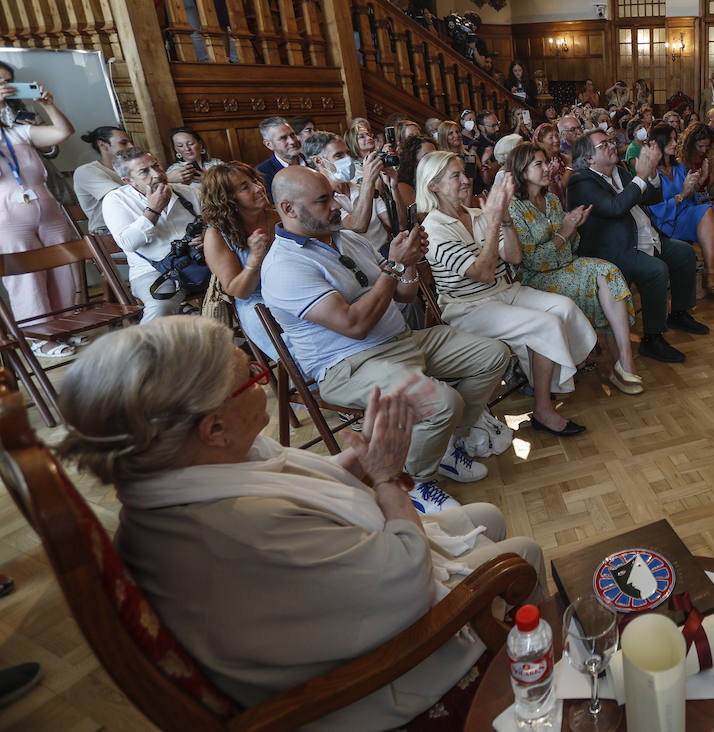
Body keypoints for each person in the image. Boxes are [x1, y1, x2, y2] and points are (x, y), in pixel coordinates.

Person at [55, 315, 545, 729]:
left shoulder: (189, 470)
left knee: (486, 516)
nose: (264, 380)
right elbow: (405, 579)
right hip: (361, 684)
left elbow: (288, 487)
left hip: (329, 613)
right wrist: (386, 479)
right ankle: (538, 696)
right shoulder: (233, 527)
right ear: (214, 428)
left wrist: (362, 460)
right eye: (249, 376)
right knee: (520, 556)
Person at [262, 167, 511, 508]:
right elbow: (354, 325)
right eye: (323, 200)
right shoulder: (283, 266)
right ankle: (413, 483)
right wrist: (393, 268)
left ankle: (446, 445)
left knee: (494, 354)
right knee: (442, 402)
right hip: (349, 365)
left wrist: (408, 264)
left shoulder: (346, 237)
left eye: (333, 196)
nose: (336, 205)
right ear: (289, 209)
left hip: (401, 341)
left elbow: (405, 296)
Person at [419, 151, 606, 430]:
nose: (465, 180)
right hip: (468, 306)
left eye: (464, 173)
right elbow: (482, 274)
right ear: (433, 185)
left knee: (563, 307)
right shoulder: (434, 227)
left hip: (502, 291)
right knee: (546, 322)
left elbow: (514, 257)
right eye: (455, 175)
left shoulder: (476, 213)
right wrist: (494, 220)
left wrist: (504, 218)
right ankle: (544, 408)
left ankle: (540, 379)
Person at [505, 143, 642, 394]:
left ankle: (624, 364)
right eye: (539, 164)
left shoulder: (552, 199)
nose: (548, 168)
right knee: (604, 281)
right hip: (534, 279)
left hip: (565, 266)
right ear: (521, 171)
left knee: (610, 273)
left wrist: (575, 226)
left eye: (546, 162)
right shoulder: (514, 207)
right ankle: (622, 366)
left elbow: (571, 246)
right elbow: (530, 261)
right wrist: (564, 232)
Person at [566, 132, 709, 364]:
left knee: (684, 253)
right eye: (604, 145)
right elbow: (614, 208)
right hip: (615, 249)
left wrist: (651, 173)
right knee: (657, 270)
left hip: (646, 237)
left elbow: (652, 197)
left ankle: (679, 313)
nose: (612, 146)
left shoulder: (619, 172)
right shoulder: (582, 180)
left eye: (611, 141)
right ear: (589, 158)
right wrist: (641, 177)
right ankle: (652, 339)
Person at [0, 65, 77, 358]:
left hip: (47, 209)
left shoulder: (18, 131)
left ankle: (64, 329)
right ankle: (39, 339)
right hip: (7, 217)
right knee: (25, 277)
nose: (5, 87)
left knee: (62, 267)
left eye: (7, 82)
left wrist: (49, 106)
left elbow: (62, 132)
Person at [102, 148, 204, 321]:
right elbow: (128, 243)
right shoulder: (116, 200)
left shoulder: (189, 192)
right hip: (154, 272)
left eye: (156, 166)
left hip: (203, 263)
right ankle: (145, 348)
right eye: (144, 171)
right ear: (129, 181)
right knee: (160, 308)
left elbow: (217, 225)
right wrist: (154, 210)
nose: (157, 174)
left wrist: (209, 237)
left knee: (247, 282)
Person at [647, 123, 714, 303]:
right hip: (666, 222)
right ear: (659, 142)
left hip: (685, 215)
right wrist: (681, 194)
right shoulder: (651, 173)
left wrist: (697, 182)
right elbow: (655, 210)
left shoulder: (679, 167)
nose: (675, 142)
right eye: (671, 139)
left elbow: (694, 199)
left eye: (675, 138)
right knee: (713, 219)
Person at [200, 162, 283, 358]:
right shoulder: (217, 235)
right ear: (227, 199)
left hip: (297, 292)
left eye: (254, 181)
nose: (258, 188)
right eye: (245, 187)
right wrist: (254, 259)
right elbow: (239, 291)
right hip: (260, 306)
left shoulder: (278, 216)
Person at [301, 131, 389, 251]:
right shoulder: (321, 200)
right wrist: (368, 181)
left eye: (348, 153)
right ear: (318, 161)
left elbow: (398, 224)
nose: (348, 159)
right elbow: (357, 226)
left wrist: (393, 185)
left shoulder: (357, 188)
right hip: (362, 259)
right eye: (339, 155)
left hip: (386, 248)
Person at [73, 125, 133, 233]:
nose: (131, 146)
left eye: (130, 142)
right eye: (123, 143)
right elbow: (120, 197)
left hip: (134, 222)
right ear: (103, 145)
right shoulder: (85, 171)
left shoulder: (130, 168)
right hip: (106, 231)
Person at [253, 117, 304, 193]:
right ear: (269, 145)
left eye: (292, 135)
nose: (292, 141)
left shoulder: (314, 160)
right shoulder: (262, 173)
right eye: (283, 138)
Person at [395, 133, 439, 212]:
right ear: (413, 159)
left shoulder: (440, 177)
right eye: (427, 156)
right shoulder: (404, 185)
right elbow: (422, 217)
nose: (433, 159)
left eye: (435, 155)